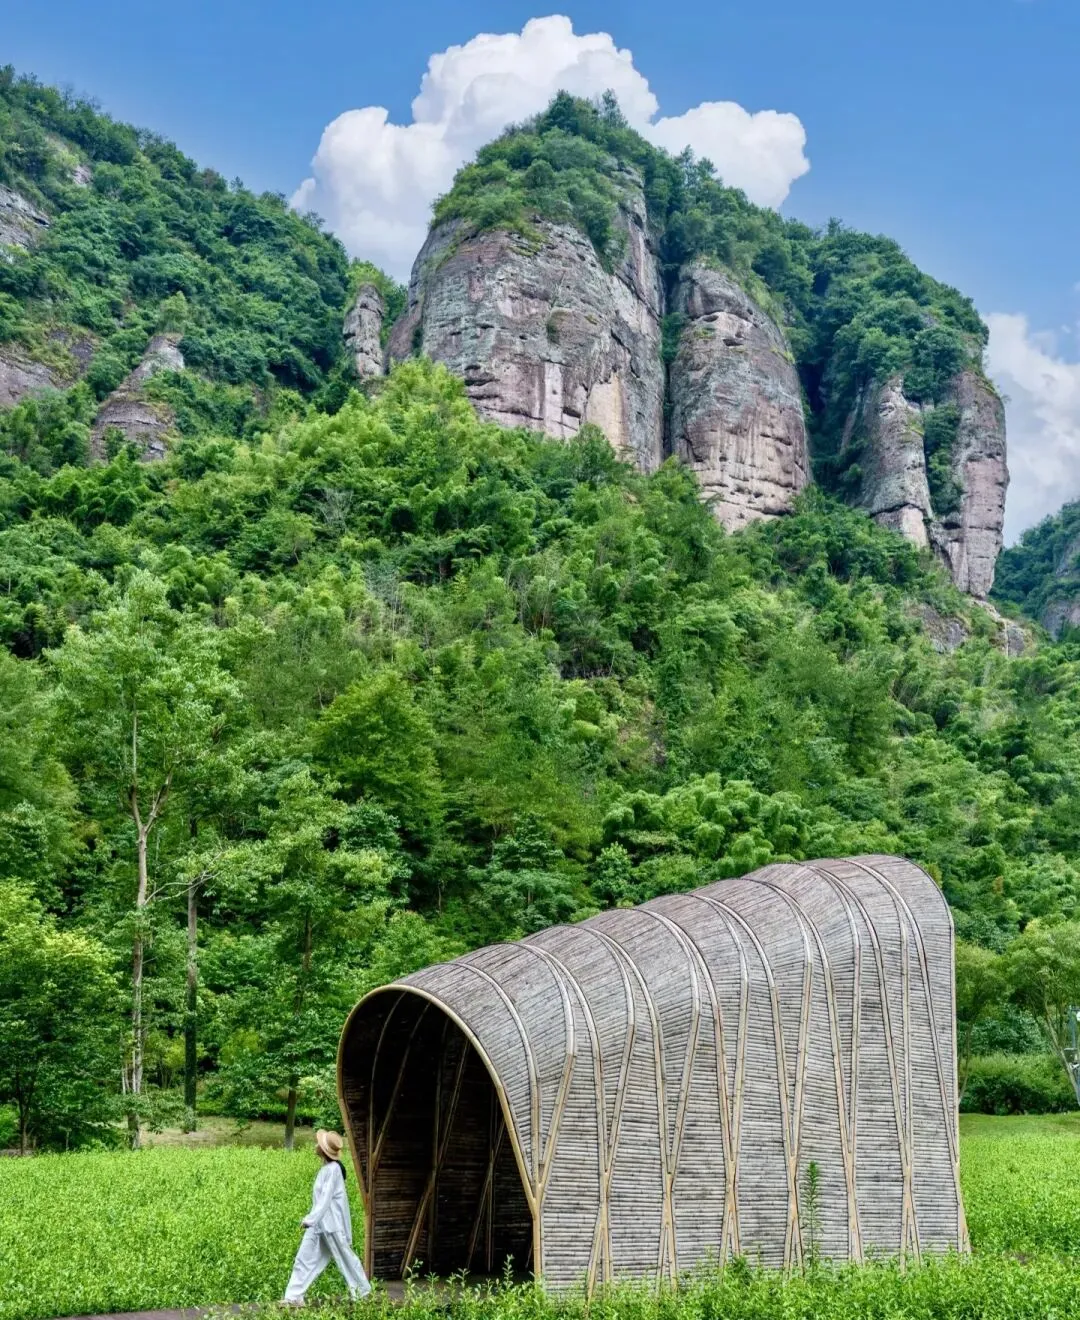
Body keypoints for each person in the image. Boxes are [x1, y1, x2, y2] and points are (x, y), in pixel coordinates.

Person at [283, 1129, 372, 1306]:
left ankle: (363, 1292)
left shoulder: (333, 1170)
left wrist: (310, 1219)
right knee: (304, 1257)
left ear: (323, 1150)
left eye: (319, 1144)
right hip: (320, 1225)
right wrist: (314, 1221)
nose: (316, 1145)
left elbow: (325, 1199)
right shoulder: (326, 1169)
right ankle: (293, 1297)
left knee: (345, 1258)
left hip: (331, 1225)